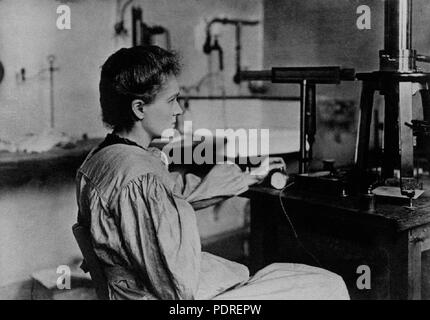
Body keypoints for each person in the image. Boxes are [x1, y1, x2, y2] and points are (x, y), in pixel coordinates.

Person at [75, 45, 349, 300]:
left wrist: (243, 178)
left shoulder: (105, 157)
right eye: (171, 100)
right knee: (326, 284)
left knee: (275, 274)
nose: (178, 109)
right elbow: (176, 286)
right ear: (139, 108)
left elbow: (173, 195)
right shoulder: (139, 176)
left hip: (132, 291)